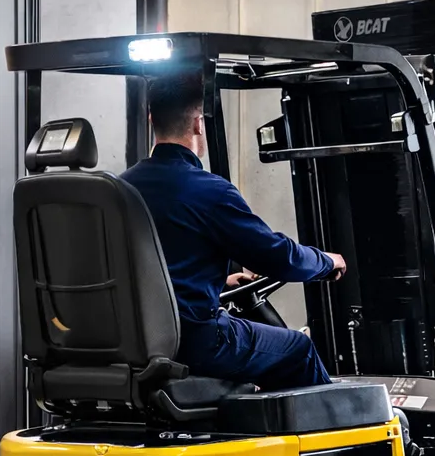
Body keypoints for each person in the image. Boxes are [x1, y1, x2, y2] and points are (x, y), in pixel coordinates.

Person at [121, 70, 346, 390]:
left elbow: (152, 267)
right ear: (199, 123)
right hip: (195, 341)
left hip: (139, 341)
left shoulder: (122, 188)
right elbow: (278, 258)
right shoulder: (206, 191)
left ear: (150, 118)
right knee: (299, 349)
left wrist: (221, 281)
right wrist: (325, 261)